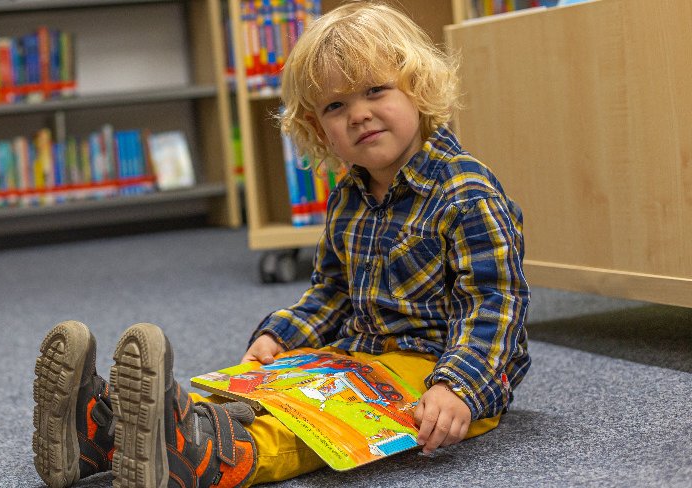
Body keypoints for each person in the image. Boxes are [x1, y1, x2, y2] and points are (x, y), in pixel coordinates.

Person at [31, 1, 530, 486]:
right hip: (357, 356)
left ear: (417, 88)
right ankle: (103, 433)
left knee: (311, 421)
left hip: (438, 371)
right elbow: (332, 292)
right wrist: (283, 336)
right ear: (318, 127)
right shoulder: (350, 196)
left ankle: (206, 457)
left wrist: (456, 387)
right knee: (262, 390)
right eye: (336, 105)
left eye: (376, 90)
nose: (359, 114)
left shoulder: (466, 191)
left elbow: (496, 303)